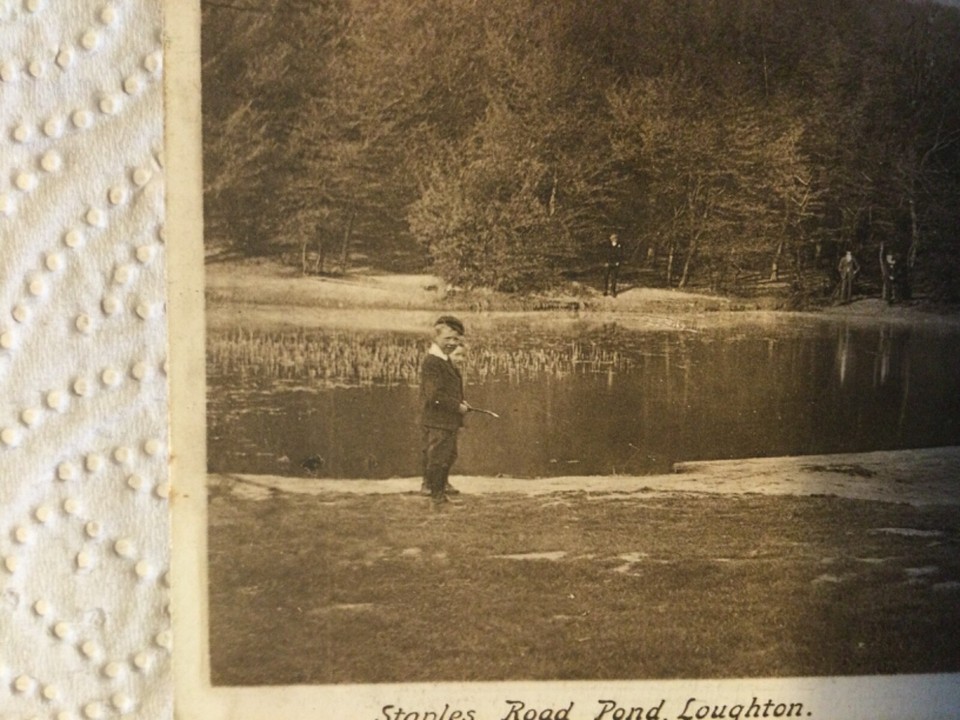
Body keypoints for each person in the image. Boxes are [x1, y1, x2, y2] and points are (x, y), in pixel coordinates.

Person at [419, 315, 471, 503]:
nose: (452, 343)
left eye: (456, 339)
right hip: (438, 420)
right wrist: (457, 406)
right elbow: (434, 396)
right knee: (439, 457)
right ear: (436, 338)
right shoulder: (433, 362)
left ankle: (438, 489)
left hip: (446, 420)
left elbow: (449, 389)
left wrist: (462, 403)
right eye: (447, 338)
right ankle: (437, 495)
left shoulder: (444, 359)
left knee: (448, 454)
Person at [603, 233, 624, 298]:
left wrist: (618, 262)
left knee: (614, 277)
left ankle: (613, 291)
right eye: (613, 238)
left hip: (615, 263)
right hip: (608, 263)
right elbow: (605, 254)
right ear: (611, 239)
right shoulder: (607, 245)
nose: (614, 239)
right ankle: (605, 290)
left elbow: (621, 255)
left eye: (615, 238)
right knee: (606, 277)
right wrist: (606, 262)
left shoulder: (619, 246)